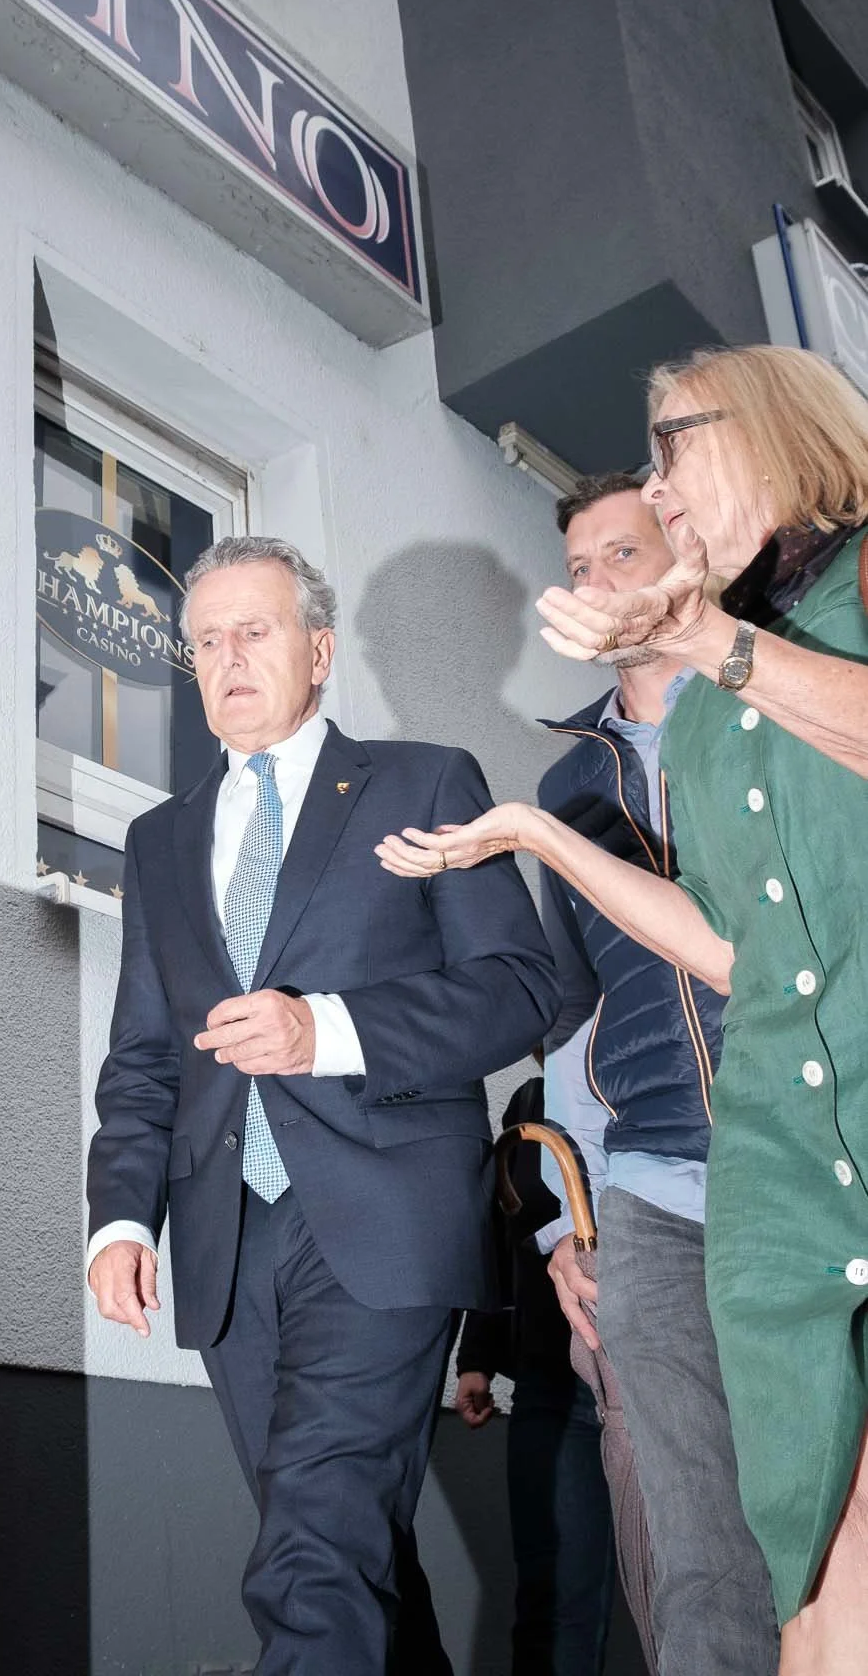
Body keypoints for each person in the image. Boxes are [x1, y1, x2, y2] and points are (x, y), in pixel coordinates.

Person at [376, 346, 868, 1676]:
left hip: (820, 1133)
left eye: (666, 461)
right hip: (723, 1177)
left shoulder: (787, 648)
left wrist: (712, 641)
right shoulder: (643, 751)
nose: (652, 500)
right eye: (581, 558)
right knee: (756, 1568)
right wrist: (536, 831)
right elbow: (670, 979)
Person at [86, 534, 558, 1676]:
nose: (226, 658)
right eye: (204, 641)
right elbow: (144, 1054)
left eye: (253, 631)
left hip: (385, 1213)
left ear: (319, 649)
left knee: (315, 1534)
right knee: (344, 1545)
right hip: (226, 1236)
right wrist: (119, 1218)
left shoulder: (423, 781)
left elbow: (518, 987)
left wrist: (327, 1029)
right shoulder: (157, 840)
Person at [532, 471, 778, 1675]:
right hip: (649, 1189)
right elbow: (570, 1018)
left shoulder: (766, 703)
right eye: (578, 567)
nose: (595, 583)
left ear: (681, 556)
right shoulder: (565, 787)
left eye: (620, 554)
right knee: (695, 1556)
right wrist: (561, 1223)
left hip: (804, 1160)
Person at [454, 1058, 619, 1676]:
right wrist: (476, 1359)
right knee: (550, 1598)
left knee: (690, 1593)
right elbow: (505, 1237)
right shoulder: (531, 1103)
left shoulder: (661, 1083)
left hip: (651, 1383)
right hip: (551, 1386)